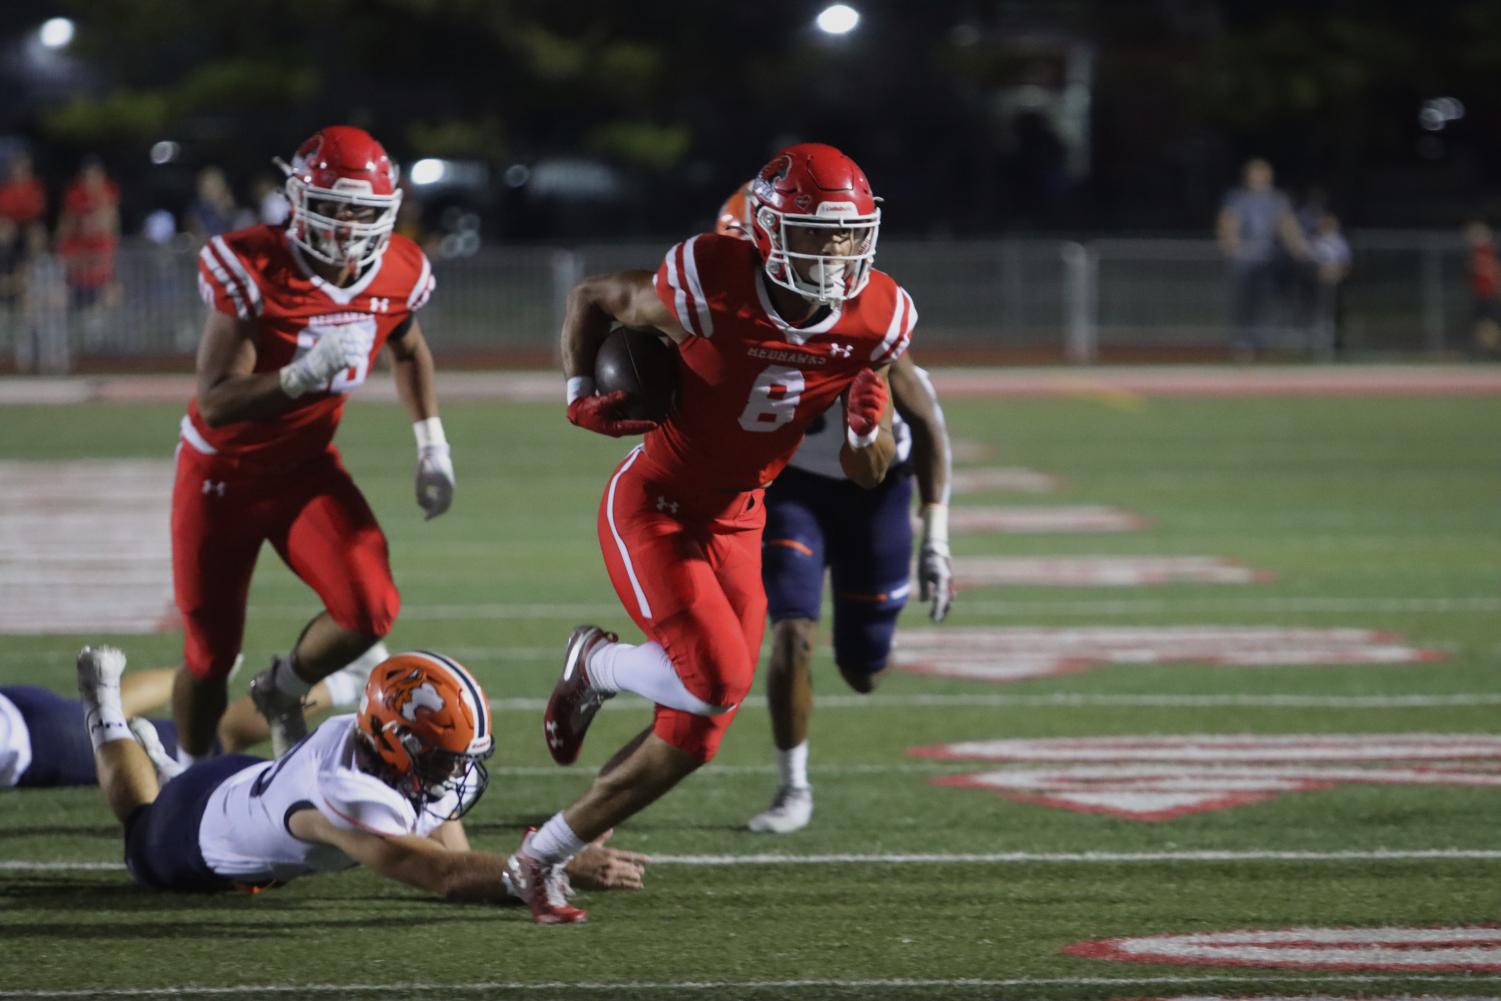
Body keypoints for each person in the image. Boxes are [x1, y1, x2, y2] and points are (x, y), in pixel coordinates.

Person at [508, 143, 915, 924]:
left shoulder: (879, 317)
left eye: (846, 233)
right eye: (814, 231)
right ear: (764, 229)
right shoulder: (709, 281)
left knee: (695, 737)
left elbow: (870, 473)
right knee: (717, 677)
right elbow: (593, 294)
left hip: (742, 516)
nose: (834, 252)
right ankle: (595, 662)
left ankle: (540, 855)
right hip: (656, 501)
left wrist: (869, 438)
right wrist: (575, 391)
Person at [172, 125, 456, 767]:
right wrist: (299, 375)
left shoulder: (398, 268)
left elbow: (408, 349)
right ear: (298, 202)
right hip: (223, 472)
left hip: (304, 469)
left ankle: (285, 690)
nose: (350, 224)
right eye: (334, 207)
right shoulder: (255, 264)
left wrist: (432, 444)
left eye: (364, 209)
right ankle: (188, 775)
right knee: (209, 653)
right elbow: (215, 401)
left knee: (370, 607)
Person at [709, 186, 955, 832]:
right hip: (793, 489)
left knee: (861, 670)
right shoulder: (729, 319)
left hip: (877, 492)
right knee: (790, 633)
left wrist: (936, 538)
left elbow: (927, 424)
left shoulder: (861, 321)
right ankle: (794, 787)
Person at [77, 646, 647, 905]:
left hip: (253, 781)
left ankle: (280, 724)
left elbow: (448, 842)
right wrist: (546, 865)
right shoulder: (348, 796)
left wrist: (549, 853)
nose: (458, 769)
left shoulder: (376, 738)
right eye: (445, 754)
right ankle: (103, 709)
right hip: (190, 832)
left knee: (279, 786)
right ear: (397, 742)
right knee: (138, 825)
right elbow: (443, 873)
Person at [1, 653, 375, 789]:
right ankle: (199, 673)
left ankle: (349, 681)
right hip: (18, 707)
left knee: (213, 736)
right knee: (99, 703)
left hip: (31, 739)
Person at [1216, 157, 1308, 360]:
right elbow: (1228, 221)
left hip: (1268, 259)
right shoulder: (1238, 198)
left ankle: (1261, 342)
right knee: (1243, 302)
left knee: (1265, 301)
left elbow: (1286, 223)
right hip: (1244, 260)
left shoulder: (1276, 199)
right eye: (1255, 174)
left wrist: (1297, 244)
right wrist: (1231, 243)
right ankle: (1242, 343)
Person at [1307, 211, 1351, 360]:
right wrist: (1320, 272)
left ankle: (1337, 347)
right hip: (1319, 285)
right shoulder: (1316, 242)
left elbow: (1346, 263)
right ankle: (1317, 347)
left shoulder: (1340, 242)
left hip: (1337, 284)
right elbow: (1312, 261)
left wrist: (1338, 273)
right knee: (1319, 315)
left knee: (1336, 316)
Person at [1465, 219, 1500, 357]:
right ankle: (1487, 350)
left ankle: (1493, 349)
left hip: (1487, 294)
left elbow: (1490, 270)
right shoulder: (1477, 251)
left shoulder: (1485, 251)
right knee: (1482, 324)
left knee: (1488, 324)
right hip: (1480, 294)